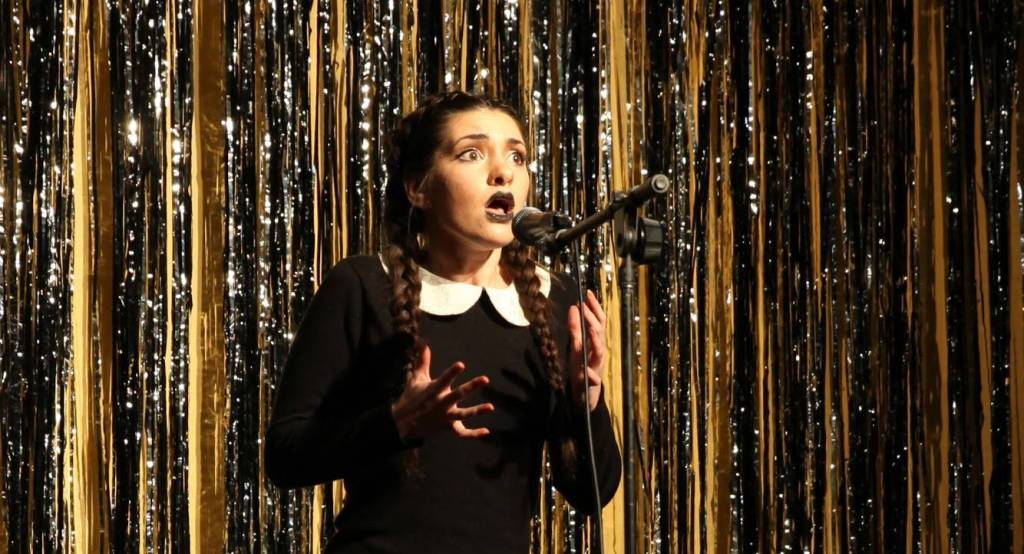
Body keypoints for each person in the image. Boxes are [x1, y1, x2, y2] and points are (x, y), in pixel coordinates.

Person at [265, 91, 622, 554]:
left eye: (517, 155)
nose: (503, 171)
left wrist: (585, 400)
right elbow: (285, 456)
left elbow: (593, 494)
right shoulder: (362, 285)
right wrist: (395, 424)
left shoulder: (554, 300)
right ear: (419, 187)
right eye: (472, 153)